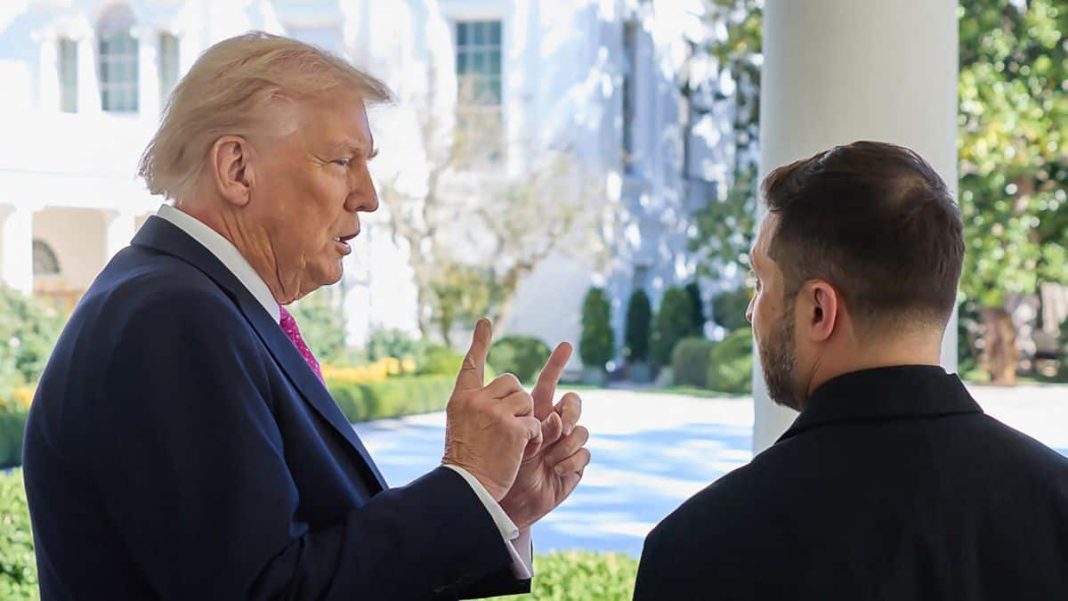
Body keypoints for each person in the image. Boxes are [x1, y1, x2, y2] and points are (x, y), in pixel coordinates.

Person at [22, 32, 591, 601]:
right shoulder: (172, 318)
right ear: (237, 169)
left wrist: (494, 504)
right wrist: (468, 482)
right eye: (342, 161)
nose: (368, 197)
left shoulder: (192, 302)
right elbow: (267, 592)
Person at [633, 141, 1068, 599]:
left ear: (820, 310)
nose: (751, 311)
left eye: (761, 283)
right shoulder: (1056, 509)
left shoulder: (700, 547)